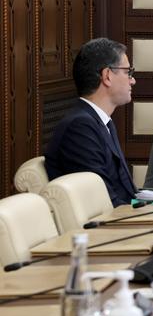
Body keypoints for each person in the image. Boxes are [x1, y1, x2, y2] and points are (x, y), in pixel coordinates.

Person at [44, 38, 138, 206]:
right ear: (107, 76)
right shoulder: (80, 128)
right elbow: (104, 202)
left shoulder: (101, 121)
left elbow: (125, 192)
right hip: (112, 221)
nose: (132, 80)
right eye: (127, 72)